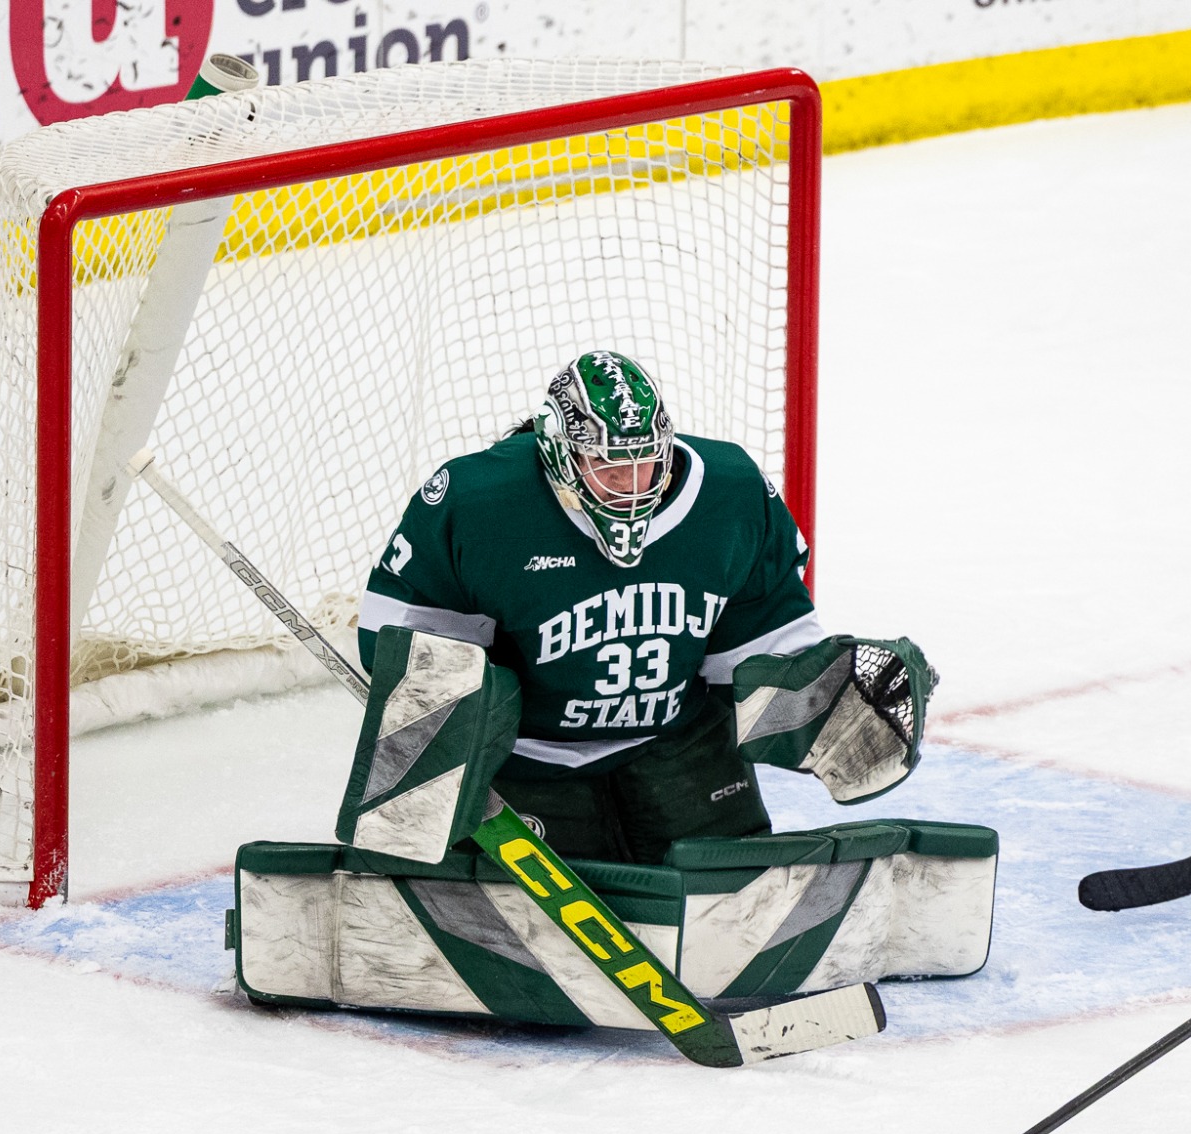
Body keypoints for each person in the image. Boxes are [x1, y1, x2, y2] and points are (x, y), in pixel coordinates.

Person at [357, 349, 924, 863]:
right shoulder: (480, 503)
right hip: (523, 765)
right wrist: (441, 742)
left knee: (725, 901)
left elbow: (763, 636)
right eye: (607, 466)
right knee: (493, 911)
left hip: (679, 749)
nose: (631, 485)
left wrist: (828, 696)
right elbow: (404, 634)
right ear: (560, 454)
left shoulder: (729, 495)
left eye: (645, 463)